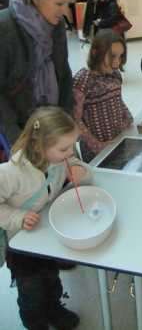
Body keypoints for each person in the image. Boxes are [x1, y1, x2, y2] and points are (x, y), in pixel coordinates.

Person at [0, 107, 93, 330]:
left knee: (52, 278)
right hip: (22, 244)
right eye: (65, 148)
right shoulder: (9, 173)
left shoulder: (61, 158)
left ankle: (54, 307)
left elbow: (82, 168)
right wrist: (18, 217)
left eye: (72, 145)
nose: (71, 152)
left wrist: (81, 172)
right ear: (39, 146)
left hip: (48, 236)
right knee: (31, 289)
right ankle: (35, 322)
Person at [0, 0, 75, 146]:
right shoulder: (5, 27)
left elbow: (63, 74)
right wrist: (17, 141)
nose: (65, 11)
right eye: (59, 4)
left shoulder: (56, 27)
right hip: (19, 129)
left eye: (67, 4)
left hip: (53, 125)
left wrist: (65, 122)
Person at [73, 29, 133, 162]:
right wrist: (97, 145)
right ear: (96, 53)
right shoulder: (82, 80)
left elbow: (118, 101)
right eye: (112, 56)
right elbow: (75, 120)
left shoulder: (115, 75)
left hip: (118, 141)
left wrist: (128, 118)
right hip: (96, 151)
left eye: (120, 56)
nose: (117, 63)